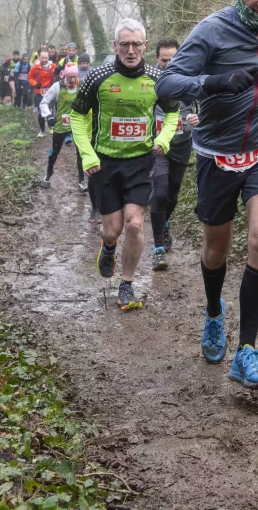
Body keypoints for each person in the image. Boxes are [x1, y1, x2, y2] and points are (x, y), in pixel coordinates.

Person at [156, 0, 258, 389]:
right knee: (215, 249)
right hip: (216, 153)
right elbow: (167, 84)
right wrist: (213, 83)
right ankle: (213, 312)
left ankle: (247, 352)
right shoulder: (211, 30)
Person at [70, 19, 179, 311]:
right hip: (105, 164)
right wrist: (87, 154)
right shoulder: (98, 77)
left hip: (141, 162)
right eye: (125, 44)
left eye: (136, 44)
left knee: (133, 223)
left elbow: (173, 113)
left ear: (145, 46)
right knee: (112, 230)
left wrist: (164, 138)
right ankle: (107, 247)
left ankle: (127, 285)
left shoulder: (158, 78)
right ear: (115, 45)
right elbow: (77, 116)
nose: (131, 50)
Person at [149, 38, 200, 271]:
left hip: (182, 144)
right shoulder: (149, 80)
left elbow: (204, 106)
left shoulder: (189, 79)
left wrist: (199, 118)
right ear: (156, 59)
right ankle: (158, 248)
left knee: (172, 194)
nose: (169, 65)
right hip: (158, 147)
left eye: (173, 59)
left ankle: (165, 222)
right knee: (159, 193)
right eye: (164, 60)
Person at [39, 64, 86, 191]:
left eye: (75, 77)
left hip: (78, 125)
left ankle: (82, 181)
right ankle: (48, 175)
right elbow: (44, 103)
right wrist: (49, 116)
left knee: (81, 153)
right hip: (61, 125)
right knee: (55, 152)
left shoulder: (81, 86)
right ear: (65, 76)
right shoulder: (57, 86)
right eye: (70, 77)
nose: (73, 80)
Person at [27, 51, 57, 137]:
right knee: (41, 113)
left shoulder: (53, 66)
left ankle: (51, 127)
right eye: (42, 58)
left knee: (50, 110)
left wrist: (54, 81)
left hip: (50, 92)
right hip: (39, 92)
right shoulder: (35, 67)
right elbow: (30, 77)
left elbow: (58, 75)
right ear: (39, 58)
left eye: (46, 58)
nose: (44, 60)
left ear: (48, 58)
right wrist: (35, 84)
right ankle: (42, 131)